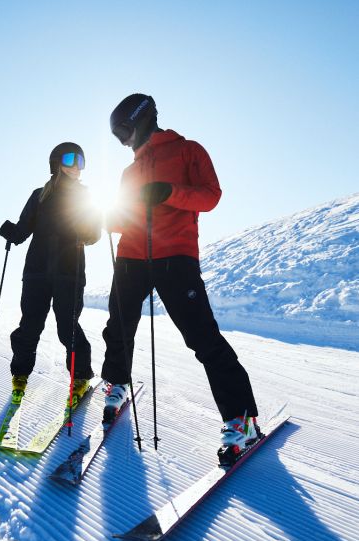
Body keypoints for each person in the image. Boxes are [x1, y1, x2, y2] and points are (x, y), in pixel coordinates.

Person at [102, 93, 259, 451]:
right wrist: (105, 222)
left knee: (202, 336)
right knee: (118, 327)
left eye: (124, 131)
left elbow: (210, 196)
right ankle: (116, 384)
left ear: (142, 119)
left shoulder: (188, 150)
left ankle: (241, 416)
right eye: (117, 137)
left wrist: (169, 192)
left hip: (175, 255)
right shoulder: (129, 171)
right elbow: (123, 214)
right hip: (130, 257)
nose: (124, 142)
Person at [0, 142, 101, 407]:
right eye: (71, 159)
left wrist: (87, 231)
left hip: (70, 273)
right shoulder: (39, 195)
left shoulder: (86, 197)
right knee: (30, 326)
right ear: (56, 163)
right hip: (37, 272)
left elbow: (94, 234)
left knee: (68, 327)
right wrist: (10, 231)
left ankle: (80, 378)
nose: (77, 166)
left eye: (82, 160)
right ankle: (20, 375)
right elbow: (22, 231)